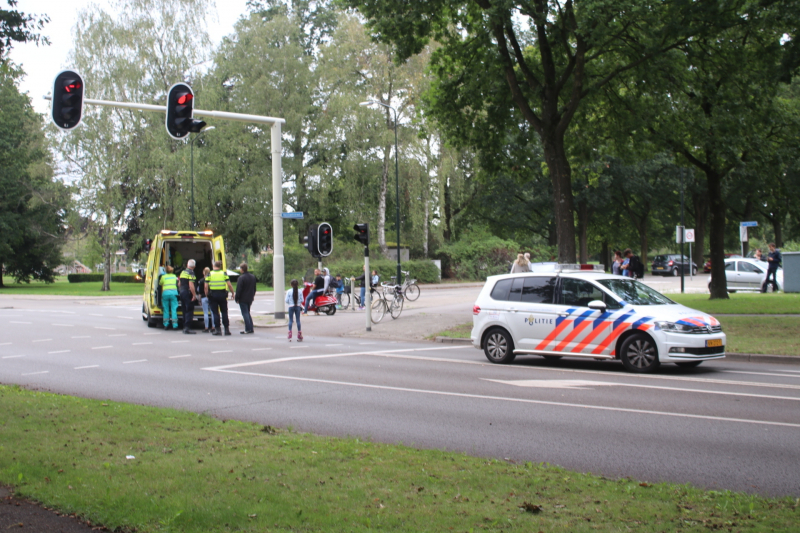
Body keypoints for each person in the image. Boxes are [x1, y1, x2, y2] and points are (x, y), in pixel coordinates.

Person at [206, 260, 234, 336]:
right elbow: (229, 284)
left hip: (213, 295)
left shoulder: (209, 274)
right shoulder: (224, 273)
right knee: (224, 312)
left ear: (213, 265)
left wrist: (206, 294)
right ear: (220, 266)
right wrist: (233, 293)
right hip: (222, 294)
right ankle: (226, 330)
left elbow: (206, 286)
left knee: (215, 313)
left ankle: (218, 330)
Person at [235, 263, 257, 334]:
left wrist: (237, 298)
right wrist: (252, 295)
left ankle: (248, 328)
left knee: (245, 313)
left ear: (242, 269)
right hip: (250, 298)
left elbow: (239, 289)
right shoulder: (252, 277)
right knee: (247, 312)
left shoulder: (241, 278)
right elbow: (254, 288)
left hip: (243, 298)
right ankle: (251, 327)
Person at [179, 259, 198, 334]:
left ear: (187, 265)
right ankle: (187, 327)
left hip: (182, 291)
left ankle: (184, 326)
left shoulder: (183, 272)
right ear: (194, 266)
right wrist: (194, 295)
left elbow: (179, 283)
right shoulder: (191, 273)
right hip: (188, 292)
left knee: (184, 309)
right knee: (189, 310)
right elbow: (191, 285)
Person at [159, 266, 179, 330]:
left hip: (165, 294)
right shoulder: (174, 276)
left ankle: (166, 324)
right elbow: (178, 282)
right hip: (173, 294)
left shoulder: (163, 277)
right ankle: (175, 325)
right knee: (174, 309)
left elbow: (160, 283)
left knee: (166, 309)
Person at [198, 267, 215, 333]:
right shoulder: (211, 279)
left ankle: (206, 327)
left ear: (203, 272)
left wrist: (199, 300)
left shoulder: (201, 280)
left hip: (204, 297)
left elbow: (199, 292)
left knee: (205, 313)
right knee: (212, 312)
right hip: (211, 297)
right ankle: (213, 327)